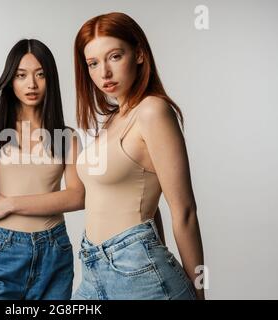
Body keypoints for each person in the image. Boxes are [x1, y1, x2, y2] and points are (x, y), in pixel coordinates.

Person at [72, 12, 205, 300]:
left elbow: (185, 211)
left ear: (139, 54)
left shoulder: (152, 111)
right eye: (93, 63)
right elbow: (145, 201)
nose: (104, 73)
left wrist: (199, 294)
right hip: (93, 267)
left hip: (139, 275)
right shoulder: (112, 120)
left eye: (115, 57)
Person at [0, 39, 84, 300]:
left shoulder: (66, 136)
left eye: (40, 74)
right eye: (21, 75)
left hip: (54, 252)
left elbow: (77, 196)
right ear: (9, 80)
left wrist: (11, 203)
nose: (32, 84)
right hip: (2, 251)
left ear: (51, 79)